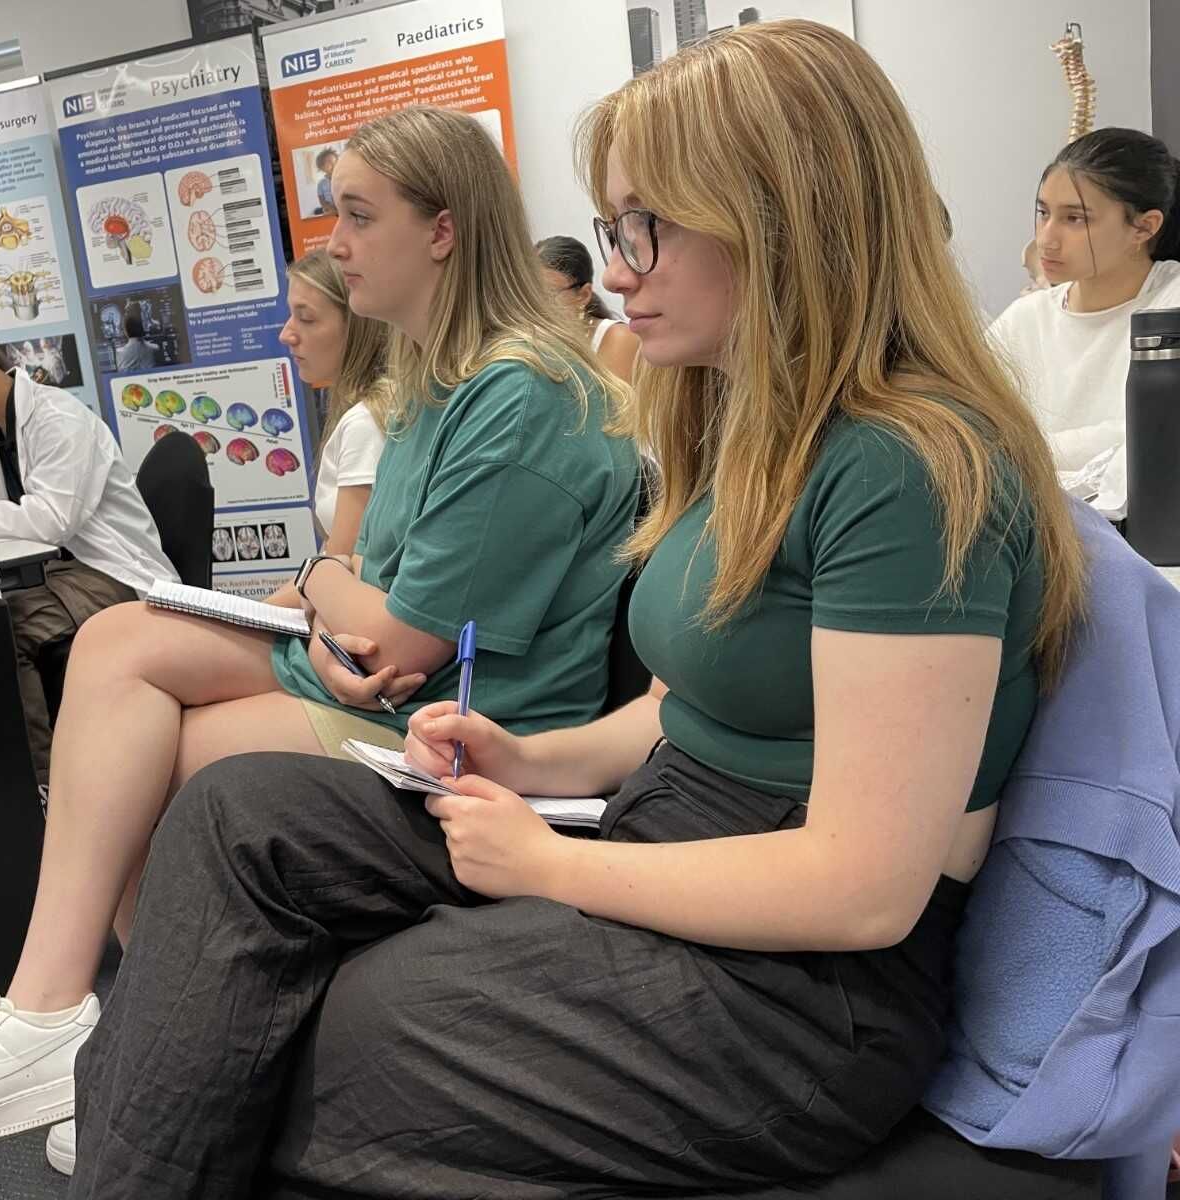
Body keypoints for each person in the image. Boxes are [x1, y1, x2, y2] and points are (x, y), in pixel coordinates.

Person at [60, 21, 1089, 1196]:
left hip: (799, 997)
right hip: (672, 837)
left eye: (647, 226)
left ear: (784, 217)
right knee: (240, 809)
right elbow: (683, 710)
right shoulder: (746, 426)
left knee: (331, 1035)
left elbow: (860, 887)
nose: (620, 271)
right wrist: (529, 758)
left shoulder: (904, 466)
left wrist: (550, 867)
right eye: (613, 228)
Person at [0, 104, 641, 1169]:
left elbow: (398, 638)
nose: (338, 245)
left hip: (465, 719)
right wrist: (333, 590)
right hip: (389, 676)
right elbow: (373, 588)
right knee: (112, 642)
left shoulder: (515, 394)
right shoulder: (441, 382)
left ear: (443, 230)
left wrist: (325, 583)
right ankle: (67, 1014)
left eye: (359, 217)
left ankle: (145, 1039)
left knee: (165, 767)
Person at [0, 315, 177, 785]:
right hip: (51, 575)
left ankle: (44, 785)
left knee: (4, 631)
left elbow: (51, 520)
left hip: (109, 573)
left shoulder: (59, 419)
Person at [990, 127, 1180, 507]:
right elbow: (970, 428)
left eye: (1075, 219)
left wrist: (1029, 451)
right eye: (1043, 213)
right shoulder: (1024, 321)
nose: (1046, 239)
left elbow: (1154, 438)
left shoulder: (1170, 305)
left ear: (1144, 227)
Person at [278, 249, 388, 554]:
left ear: (357, 325)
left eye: (306, 318)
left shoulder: (364, 424)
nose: (286, 334)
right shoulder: (364, 411)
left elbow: (342, 562)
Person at [538, 233, 641, 381]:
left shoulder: (619, 339)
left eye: (548, 293)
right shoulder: (536, 342)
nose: (536, 303)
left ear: (583, 295)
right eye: (530, 293)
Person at [314, 147, 338, 215]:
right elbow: (322, 200)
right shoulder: (321, 184)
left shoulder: (343, 178)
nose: (333, 165)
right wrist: (329, 207)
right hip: (330, 210)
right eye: (329, 162)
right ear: (321, 167)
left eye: (335, 162)